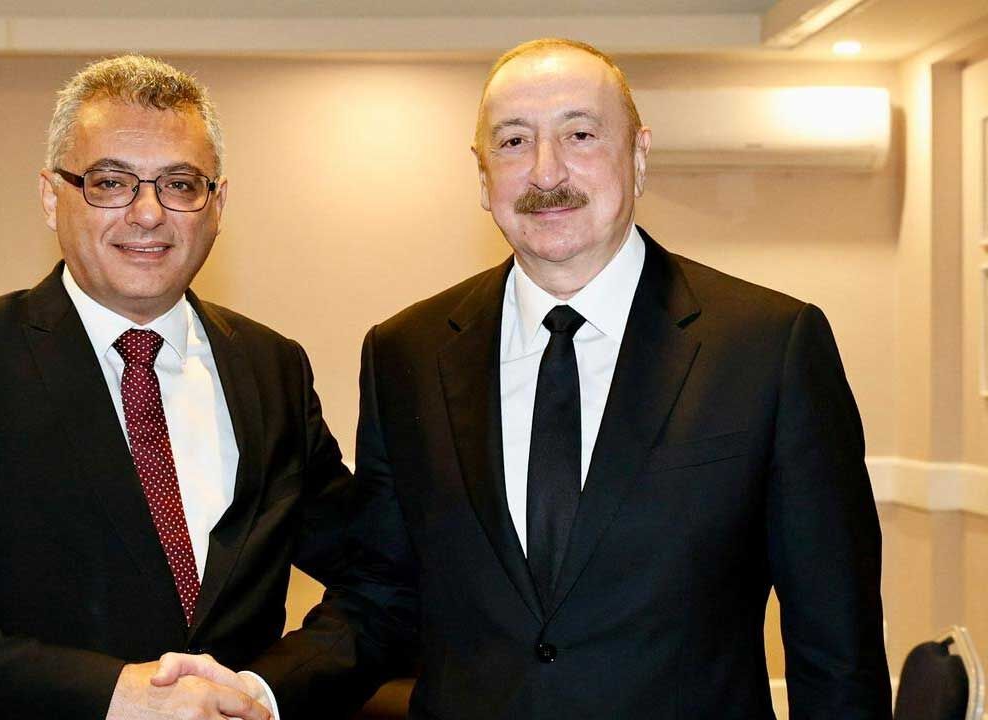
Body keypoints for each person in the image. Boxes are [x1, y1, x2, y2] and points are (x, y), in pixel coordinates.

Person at [165, 38, 893, 718]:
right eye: (514, 142)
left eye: (581, 134)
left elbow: (837, 645)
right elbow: (383, 594)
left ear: (639, 156)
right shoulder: (406, 354)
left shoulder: (768, 346)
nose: (547, 173)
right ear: (483, 176)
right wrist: (259, 691)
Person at [0, 54, 353, 720]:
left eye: (180, 184)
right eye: (110, 182)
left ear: (218, 204)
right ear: (52, 196)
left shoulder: (271, 367)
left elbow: (374, 575)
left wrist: (267, 689)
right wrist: (112, 695)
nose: (148, 213)